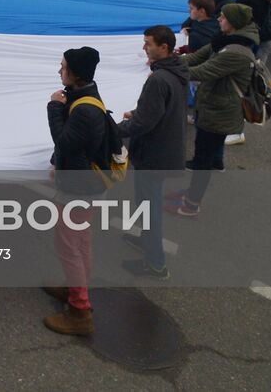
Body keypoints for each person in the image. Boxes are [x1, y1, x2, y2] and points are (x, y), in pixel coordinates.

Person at [169, 4, 260, 218]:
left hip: (219, 112)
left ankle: (191, 204)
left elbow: (203, 71)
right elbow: (197, 57)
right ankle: (195, 189)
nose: (219, 19)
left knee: (202, 160)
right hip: (214, 106)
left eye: (223, 17)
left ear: (234, 22)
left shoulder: (236, 52)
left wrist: (167, 69)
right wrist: (169, 61)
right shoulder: (225, 40)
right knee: (206, 153)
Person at [41, 47, 108, 336]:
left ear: (76, 73)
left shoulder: (84, 109)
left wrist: (53, 106)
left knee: (69, 246)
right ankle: (74, 289)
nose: (60, 71)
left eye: (64, 67)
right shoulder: (85, 96)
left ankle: (80, 311)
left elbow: (64, 140)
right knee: (80, 241)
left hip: (79, 188)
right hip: (87, 185)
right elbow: (72, 144)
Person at [116, 27, 187, 280]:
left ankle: (156, 264)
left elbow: (144, 123)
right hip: (165, 148)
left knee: (149, 207)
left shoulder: (158, 79)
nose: (144, 48)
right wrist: (138, 112)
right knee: (146, 203)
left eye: (148, 44)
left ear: (164, 47)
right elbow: (161, 108)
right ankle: (147, 241)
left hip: (154, 153)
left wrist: (113, 130)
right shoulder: (177, 70)